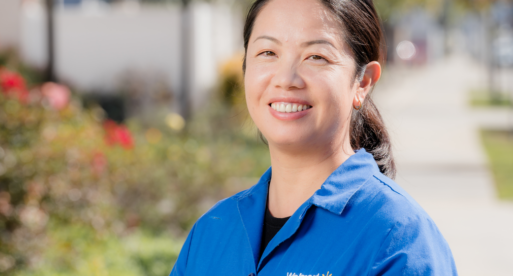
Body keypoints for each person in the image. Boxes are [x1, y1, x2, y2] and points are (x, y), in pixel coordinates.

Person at [170, 0, 458, 275]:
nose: (286, 79)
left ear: (363, 82)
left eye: (316, 57)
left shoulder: (396, 239)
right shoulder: (212, 231)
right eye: (268, 53)